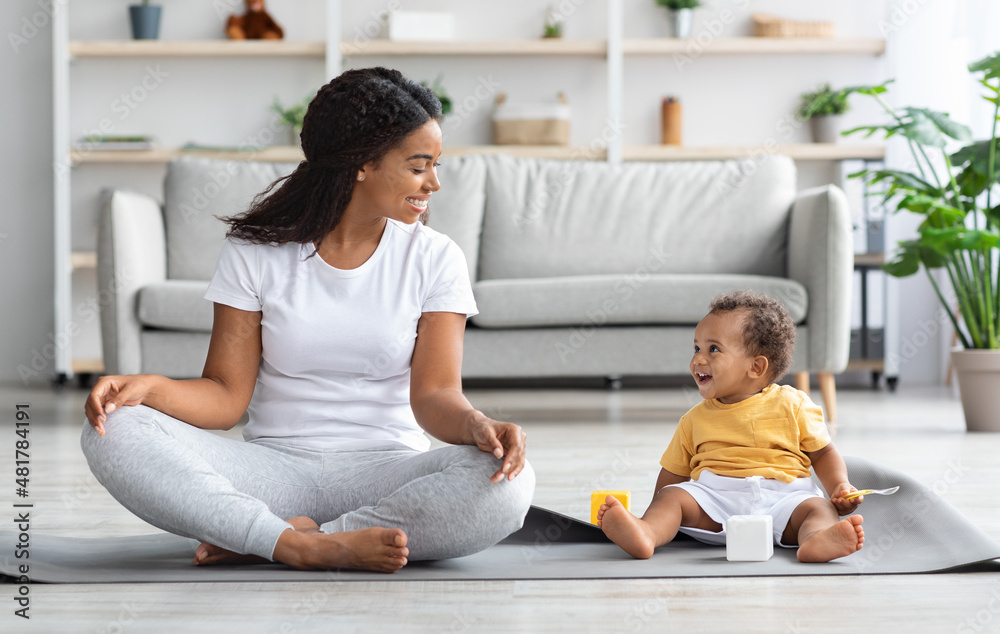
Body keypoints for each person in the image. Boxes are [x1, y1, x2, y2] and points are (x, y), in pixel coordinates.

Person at [81, 67, 534, 573]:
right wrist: (149, 388)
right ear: (363, 163)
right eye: (418, 166)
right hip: (272, 470)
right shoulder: (255, 251)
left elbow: (434, 397)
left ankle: (281, 537)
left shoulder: (435, 258)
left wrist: (477, 424)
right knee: (111, 428)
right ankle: (292, 542)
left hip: (388, 471)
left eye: (435, 164)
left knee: (508, 479)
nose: (434, 182)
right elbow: (226, 396)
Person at [598, 291, 864, 563]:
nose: (698, 360)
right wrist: (660, 514)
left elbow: (823, 453)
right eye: (696, 348)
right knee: (673, 497)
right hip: (716, 501)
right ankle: (648, 533)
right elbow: (672, 474)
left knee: (818, 509)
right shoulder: (694, 419)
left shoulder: (793, 404)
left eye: (713, 349)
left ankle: (816, 539)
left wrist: (839, 486)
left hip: (785, 499)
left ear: (756, 367)